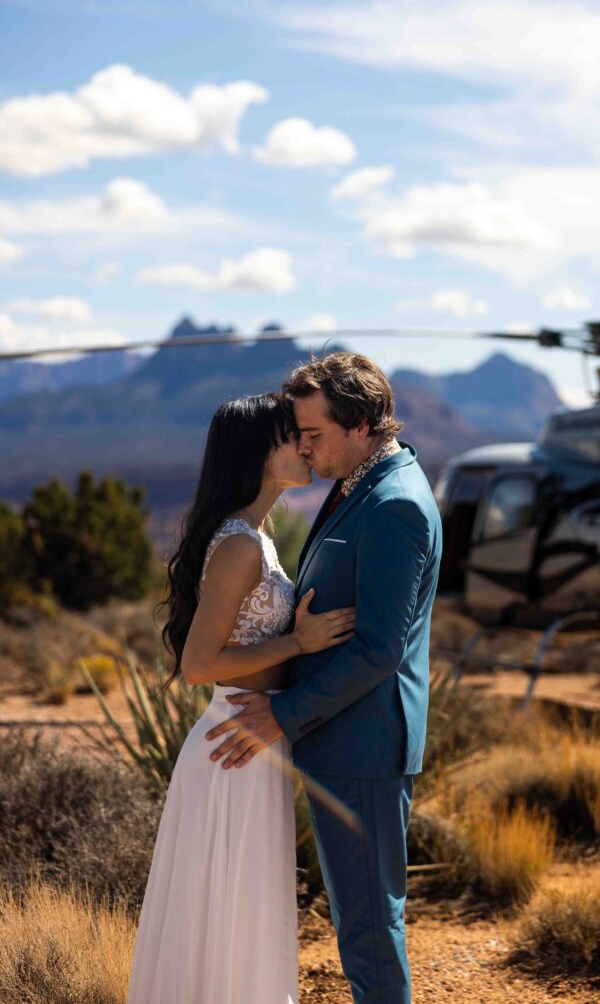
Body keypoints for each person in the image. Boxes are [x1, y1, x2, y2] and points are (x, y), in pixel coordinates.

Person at [206, 354, 443, 1004]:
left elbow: (378, 650)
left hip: (363, 745)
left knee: (367, 926)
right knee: (358, 919)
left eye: (312, 433)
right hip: (338, 738)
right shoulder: (356, 484)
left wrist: (282, 715)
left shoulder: (393, 505)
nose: (302, 445)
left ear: (361, 422)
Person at [127, 393, 355, 1004]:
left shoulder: (258, 534)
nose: (306, 446)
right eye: (292, 437)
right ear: (258, 453)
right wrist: (300, 642)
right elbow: (199, 665)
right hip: (233, 743)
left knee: (239, 909)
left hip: (250, 739)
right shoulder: (239, 546)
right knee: (227, 910)